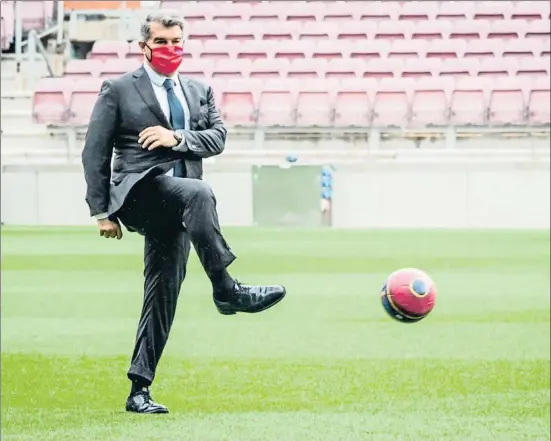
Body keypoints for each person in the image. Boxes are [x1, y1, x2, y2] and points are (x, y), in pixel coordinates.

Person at [81, 11, 286, 415]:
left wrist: (177, 137)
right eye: (162, 42)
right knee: (200, 192)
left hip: (178, 205)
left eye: (177, 42)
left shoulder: (198, 90)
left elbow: (218, 138)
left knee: (161, 296)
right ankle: (226, 290)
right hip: (139, 194)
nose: (171, 50)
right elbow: (95, 151)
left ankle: (139, 390)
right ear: (144, 46)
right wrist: (101, 211)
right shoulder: (118, 88)